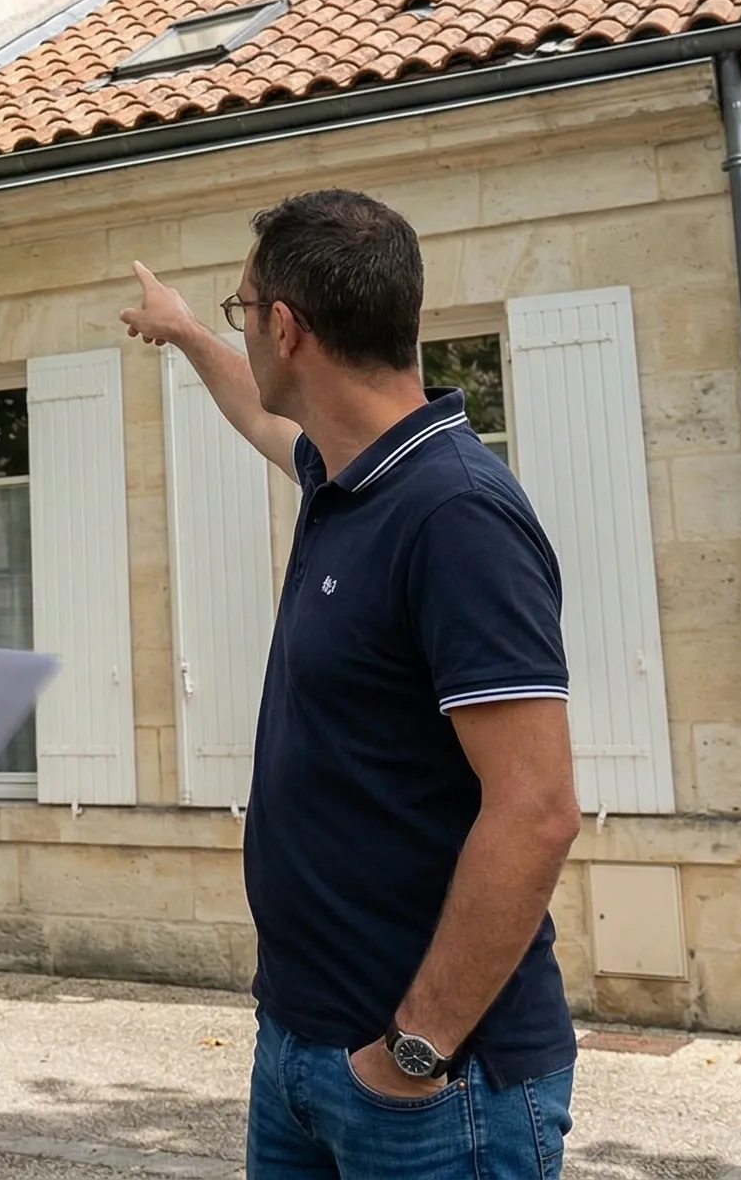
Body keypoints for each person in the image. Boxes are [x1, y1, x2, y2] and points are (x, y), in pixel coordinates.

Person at [120, 190, 583, 1179]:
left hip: (431, 1090)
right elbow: (256, 417)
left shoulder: (454, 512)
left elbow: (536, 810)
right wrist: (186, 332)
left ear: (285, 329)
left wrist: (412, 1050)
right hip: (297, 1046)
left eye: (244, 312)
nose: (243, 332)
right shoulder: (347, 476)